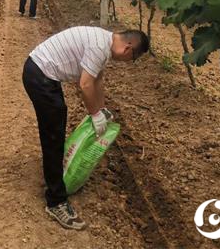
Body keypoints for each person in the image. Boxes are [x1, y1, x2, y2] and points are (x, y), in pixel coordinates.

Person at [22, 26, 150, 230]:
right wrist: (95, 115)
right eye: (132, 59)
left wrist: (102, 110)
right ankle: (55, 202)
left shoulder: (104, 42)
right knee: (53, 134)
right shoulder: (100, 46)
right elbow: (86, 84)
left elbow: (97, 80)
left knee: (56, 121)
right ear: (128, 49)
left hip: (42, 71)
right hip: (40, 75)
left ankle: (54, 173)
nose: (128, 63)